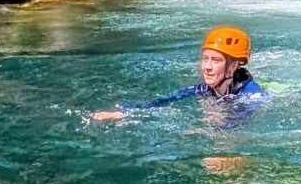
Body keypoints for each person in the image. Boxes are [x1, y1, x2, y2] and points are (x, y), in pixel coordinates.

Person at [91, 26, 267, 122]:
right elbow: (164, 101)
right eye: (205, 59)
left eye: (216, 60)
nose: (207, 67)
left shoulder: (251, 94)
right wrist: (124, 112)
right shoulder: (204, 89)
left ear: (233, 65)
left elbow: (244, 117)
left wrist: (220, 126)